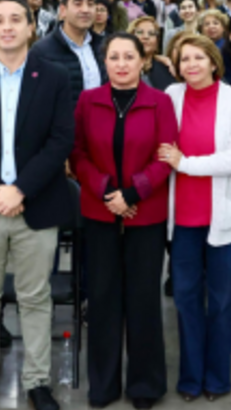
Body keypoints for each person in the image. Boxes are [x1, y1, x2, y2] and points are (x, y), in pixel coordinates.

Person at [0, 0, 77, 410]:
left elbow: (61, 139)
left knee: (35, 297)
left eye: (15, 20)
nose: (6, 27)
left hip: (36, 204)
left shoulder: (54, 77)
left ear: (30, 27)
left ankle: (38, 381)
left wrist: (20, 189)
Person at [72, 33, 177, 409]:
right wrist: (106, 191)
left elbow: (166, 156)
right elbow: (77, 153)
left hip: (144, 213)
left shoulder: (160, 102)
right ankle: (103, 384)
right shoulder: (88, 100)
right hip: (99, 210)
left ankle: (145, 385)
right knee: (102, 298)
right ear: (104, 62)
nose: (121, 64)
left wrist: (132, 193)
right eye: (113, 57)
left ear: (143, 60)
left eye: (128, 57)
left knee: (143, 299)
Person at [160, 34, 231, 402]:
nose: (191, 65)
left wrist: (185, 163)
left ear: (214, 62)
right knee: (185, 299)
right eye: (184, 59)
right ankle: (190, 377)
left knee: (223, 301)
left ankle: (217, 378)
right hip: (182, 217)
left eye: (199, 58)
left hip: (223, 218)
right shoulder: (171, 96)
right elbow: (160, 148)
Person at [30, 0, 105, 98]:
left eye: (90, 4)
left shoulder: (103, 46)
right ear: (63, 10)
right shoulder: (42, 51)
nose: (85, 9)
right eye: (78, 4)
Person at [129, 16, 176, 91]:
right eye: (140, 32)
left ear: (157, 41)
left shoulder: (167, 68)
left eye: (151, 33)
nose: (146, 37)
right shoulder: (119, 66)